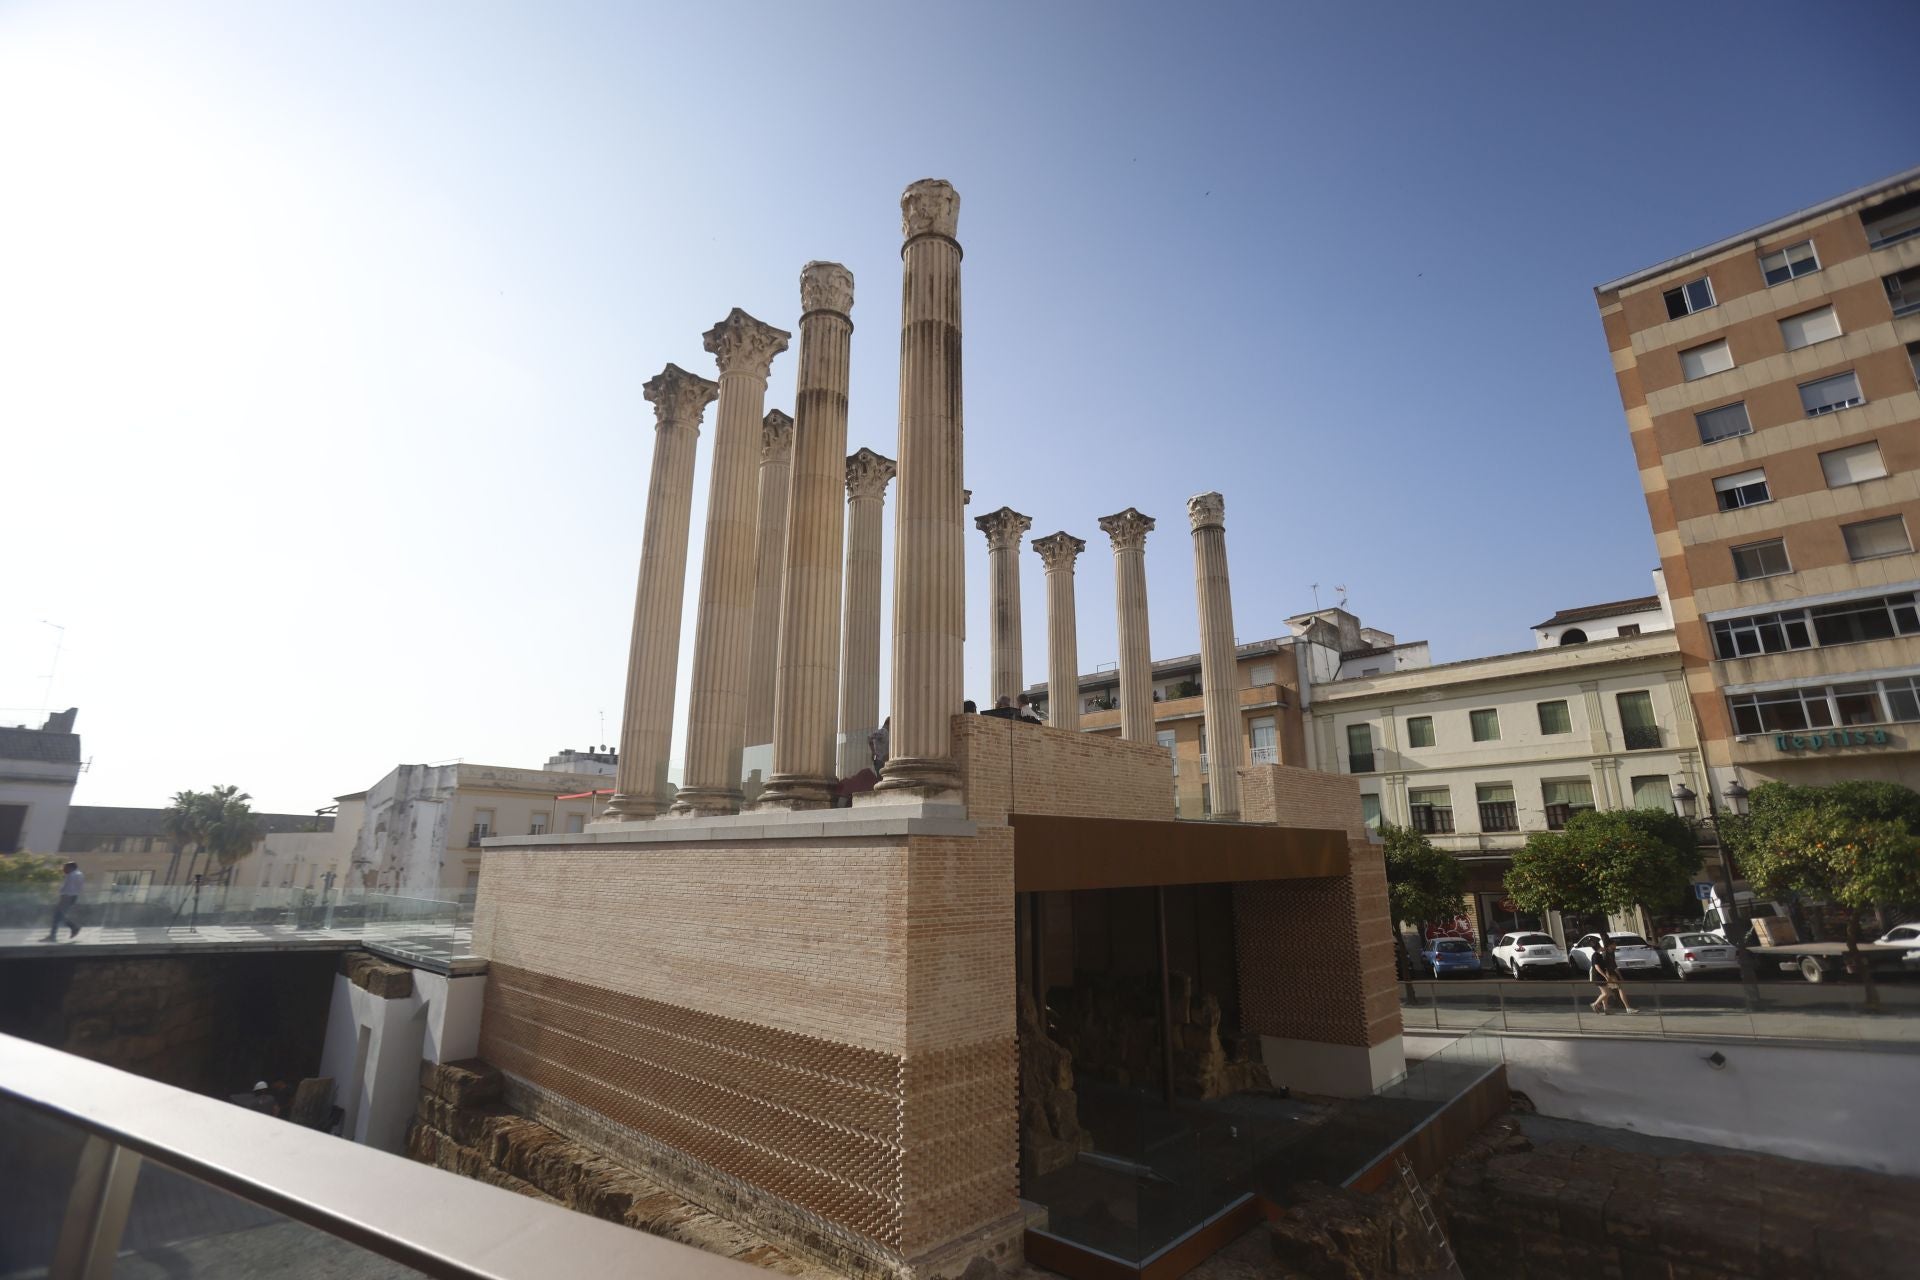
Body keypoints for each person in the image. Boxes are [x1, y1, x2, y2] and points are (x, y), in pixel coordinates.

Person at [1589, 937, 1636, 1014]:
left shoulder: (1604, 954)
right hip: (1602, 976)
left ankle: (1606, 1009)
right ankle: (1595, 1004)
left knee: (1605, 993)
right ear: (1610, 945)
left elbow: (1611, 965)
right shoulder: (1599, 955)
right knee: (1607, 992)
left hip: (1604, 976)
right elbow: (1598, 967)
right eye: (1614, 944)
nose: (1616, 945)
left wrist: (1617, 975)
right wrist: (1606, 976)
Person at [43, 861, 83, 941]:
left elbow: (68, 888)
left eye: (65, 868)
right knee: (59, 916)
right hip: (73, 897)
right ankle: (54, 935)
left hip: (67, 897)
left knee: (58, 916)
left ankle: (72, 928)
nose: (63, 869)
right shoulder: (79, 874)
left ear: (71, 868)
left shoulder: (72, 875)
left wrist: (63, 898)